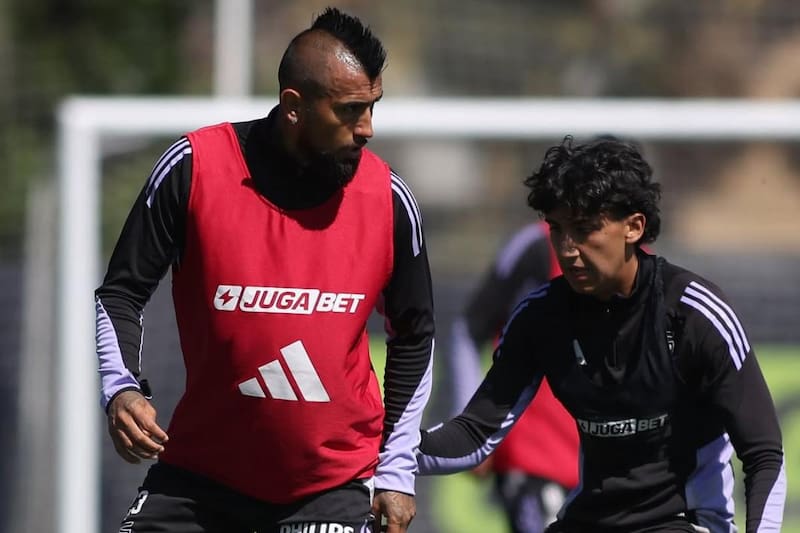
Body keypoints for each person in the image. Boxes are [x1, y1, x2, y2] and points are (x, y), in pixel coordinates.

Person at [95, 7, 435, 533]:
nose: (367, 128)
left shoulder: (388, 199)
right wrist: (122, 389)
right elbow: (121, 292)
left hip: (332, 487)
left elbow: (415, 334)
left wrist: (396, 470)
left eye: (373, 106)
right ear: (294, 106)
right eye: (350, 110)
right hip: (200, 477)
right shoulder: (194, 168)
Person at [417, 136, 786, 533]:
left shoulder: (694, 314)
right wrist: (382, 450)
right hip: (588, 520)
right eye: (557, 229)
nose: (567, 249)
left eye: (584, 229)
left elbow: (764, 454)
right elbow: (474, 435)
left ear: (634, 227)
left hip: (683, 523)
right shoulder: (540, 316)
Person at [447, 221, 580, 533]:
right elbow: (469, 329)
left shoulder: (635, 258)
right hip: (534, 456)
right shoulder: (537, 245)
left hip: (599, 466)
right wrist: (474, 431)